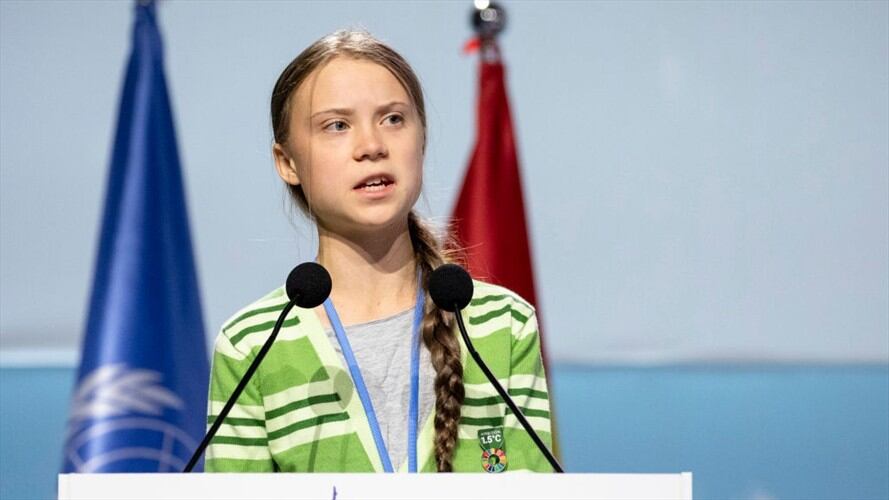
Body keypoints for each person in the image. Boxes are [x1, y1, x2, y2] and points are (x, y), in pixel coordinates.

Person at [205, 29, 553, 473]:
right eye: (337, 125)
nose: (372, 146)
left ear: (421, 140)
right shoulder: (252, 345)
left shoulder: (503, 326)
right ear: (287, 163)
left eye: (393, 119)